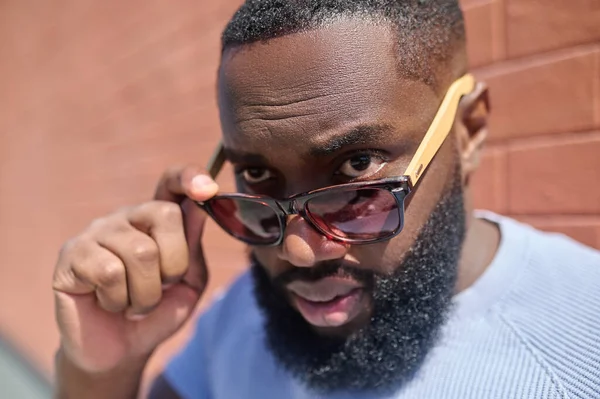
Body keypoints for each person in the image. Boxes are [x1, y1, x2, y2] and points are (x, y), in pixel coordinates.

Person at [52, 1, 600, 398]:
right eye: (258, 173)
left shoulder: (582, 348)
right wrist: (103, 370)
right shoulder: (237, 315)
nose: (298, 253)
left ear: (468, 132)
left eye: (358, 167)